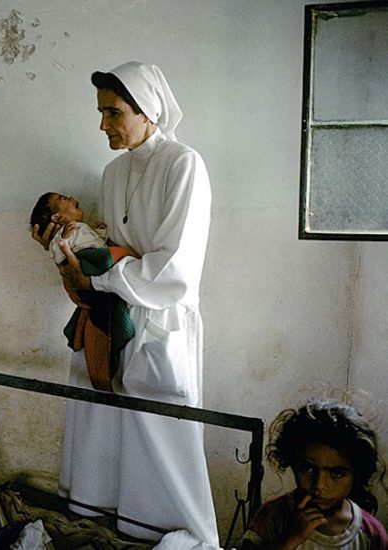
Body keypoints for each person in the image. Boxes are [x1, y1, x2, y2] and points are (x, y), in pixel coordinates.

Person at [32, 62, 218, 543]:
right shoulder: (113, 172)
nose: (103, 125)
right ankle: (109, 531)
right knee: (102, 426)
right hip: (108, 316)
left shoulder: (184, 164)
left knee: (161, 436)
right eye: (101, 113)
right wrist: (76, 264)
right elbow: (110, 244)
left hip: (160, 322)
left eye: (113, 113)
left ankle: (171, 534)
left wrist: (109, 274)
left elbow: (175, 265)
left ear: (147, 110)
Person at [241, 398, 388, 550]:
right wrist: (288, 540)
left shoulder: (370, 533)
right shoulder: (273, 515)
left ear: (357, 474)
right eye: (307, 468)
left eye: (337, 473)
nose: (319, 485)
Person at [30, 192, 137, 392]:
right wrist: (63, 241)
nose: (70, 197)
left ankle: (112, 349)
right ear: (57, 217)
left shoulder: (80, 228)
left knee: (107, 266)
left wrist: (101, 235)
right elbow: (59, 254)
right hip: (84, 262)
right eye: (63, 199)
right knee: (107, 259)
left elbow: (94, 242)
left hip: (92, 262)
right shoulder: (62, 234)